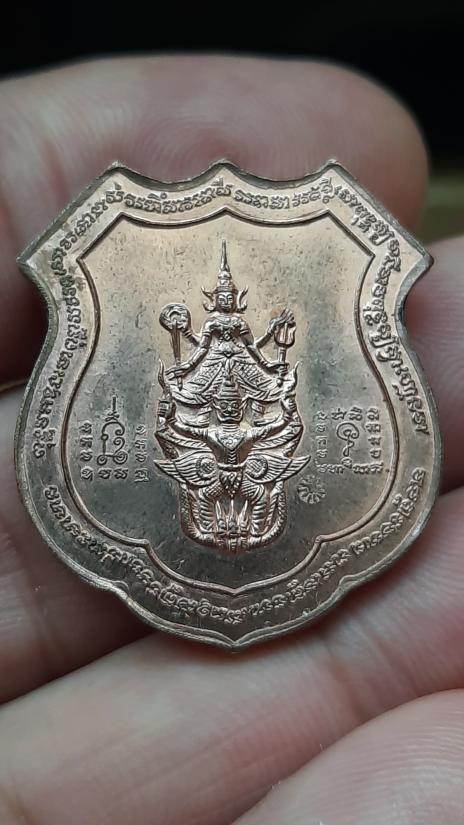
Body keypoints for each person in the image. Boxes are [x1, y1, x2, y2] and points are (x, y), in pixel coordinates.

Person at [0, 53, 463, 823]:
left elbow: (270, 386)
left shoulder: (253, 372)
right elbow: (188, 386)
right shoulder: (199, 371)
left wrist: (266, 354)